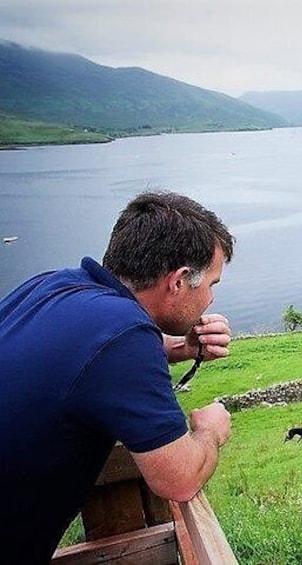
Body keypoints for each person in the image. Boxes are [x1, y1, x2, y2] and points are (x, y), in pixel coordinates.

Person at [0, 191, 236, 563]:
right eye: (212, 285)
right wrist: (210, 431)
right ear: (178, 281)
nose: (210, 300)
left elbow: (84, 354)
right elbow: (178, 479)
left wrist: (177, 349)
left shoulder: (53, 285)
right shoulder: (124, 336)